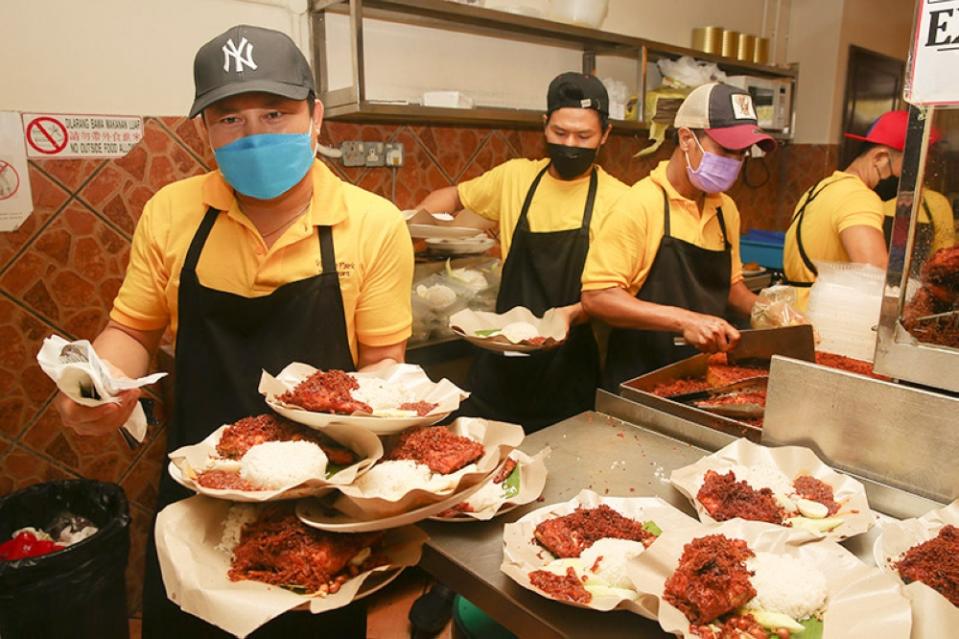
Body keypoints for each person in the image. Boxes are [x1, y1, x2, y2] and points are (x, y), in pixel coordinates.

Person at [53, 25, 413, 637]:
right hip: (198, 494)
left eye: (276, 112)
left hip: (320, 509)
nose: (254, 134)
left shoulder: (373, 224)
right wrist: (98, 383)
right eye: (230, 119)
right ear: (204, 130)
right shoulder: (170, 211)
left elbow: (382, 363)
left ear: (315, 116)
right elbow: (131, 329)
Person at [413, 72, 629, 431]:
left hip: (568, 369)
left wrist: (569, 315)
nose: (570, 144)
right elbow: (451, 197)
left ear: (605, 135)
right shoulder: (515, 178)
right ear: (544, 126)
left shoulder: (620, 199)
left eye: (584, 136)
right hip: (501, 359)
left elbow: (619, 291)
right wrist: (412, 229)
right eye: (560, 133)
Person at [581, 82, 776, 390]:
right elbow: (598, 297)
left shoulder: (726, 210)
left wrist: (769, 310)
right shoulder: (639, 204)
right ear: (686, 138)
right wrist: (685, 320)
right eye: (726, 150)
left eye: (742, 154)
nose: (735, 164)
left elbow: (730, 288)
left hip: (703, 381)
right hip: (639, 382)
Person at [782, 110, 912, 307]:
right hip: (823, 319)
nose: (907, 179)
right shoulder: (859, 197)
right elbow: (874, 277)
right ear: (880, 158)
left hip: (796, 313)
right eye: (905, 169)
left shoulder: (820, 188)